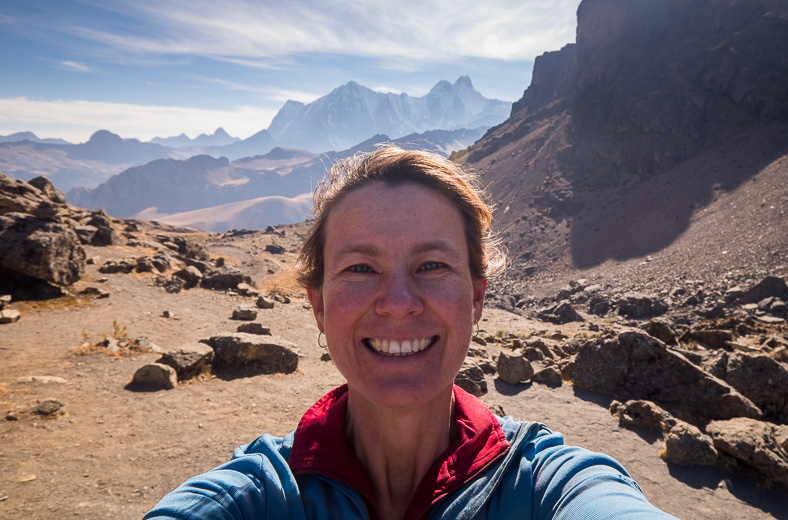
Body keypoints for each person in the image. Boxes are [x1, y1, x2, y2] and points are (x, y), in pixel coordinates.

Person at [145, 145, 677, 519]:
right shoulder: (258, 495)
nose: (398, 304)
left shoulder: (547, 484)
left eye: (432, 266)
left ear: (475, 297)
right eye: (360, 268)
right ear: (318, 305)